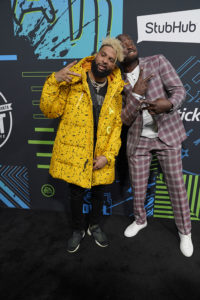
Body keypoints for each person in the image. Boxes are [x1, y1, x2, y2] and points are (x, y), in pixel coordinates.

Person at [40, 37, 124, 253]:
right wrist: (55, 80)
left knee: (99, 193)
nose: (105, 61)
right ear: (96, 55)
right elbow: (50, 110)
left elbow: (116, 127)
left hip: (101, 153)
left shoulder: (116, 90)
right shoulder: (73, 79)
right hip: (76, 153)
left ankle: (94, 226)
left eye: (111, 59)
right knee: (76, 194)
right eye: (103, 55)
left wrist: (108, 156)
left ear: (114, 65)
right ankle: (78, 229)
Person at [116, 33, 193, 257]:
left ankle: (185, 232)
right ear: (116, 54)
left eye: (129, 40)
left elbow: (179, 90)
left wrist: (168, 104)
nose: (128, 44)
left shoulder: (157, 61)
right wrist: (136, 93)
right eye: (121, 44)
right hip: (138, 141)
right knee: (138, 188)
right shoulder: (116, 82)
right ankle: (140, 220)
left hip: (167, 134)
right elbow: (124, 119)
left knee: (176, 187)